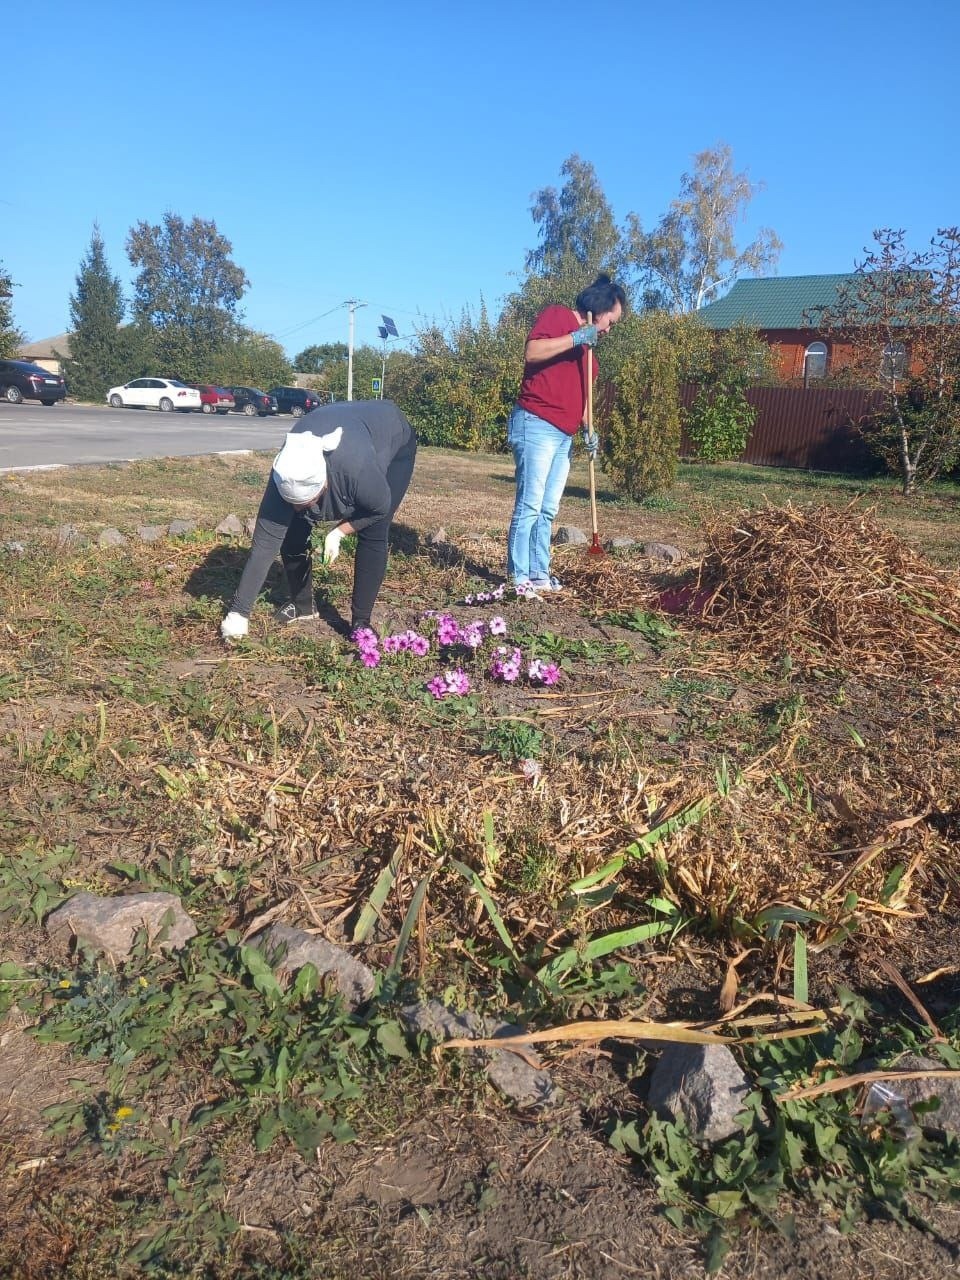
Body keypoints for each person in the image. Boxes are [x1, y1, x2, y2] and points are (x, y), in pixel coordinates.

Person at [221, 399, 417, 642]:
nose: (302, 508)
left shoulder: (358, 471)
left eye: (309, 502)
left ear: (325, 482)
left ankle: (361, 622)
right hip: (342, 423)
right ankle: (303, 605)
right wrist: (238, 613)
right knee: (293, 529)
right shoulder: (286, 469)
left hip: (393, 436)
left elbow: (378, 509)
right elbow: (264, 545)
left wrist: (339, 532)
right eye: (294, 504)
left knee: (375, 531)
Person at [506, 273, 625, 593]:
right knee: (530, 505)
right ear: (599, 309)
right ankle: (518, 577)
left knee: (547, 509)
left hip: (563, 436)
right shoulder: (558, 316)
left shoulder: (590, 356)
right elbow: (532, 352)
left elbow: (583, 399)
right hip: (536, 422)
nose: (609, 329)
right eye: (610, 321)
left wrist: (590, 429)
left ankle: (539, 573)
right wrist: (575, 338)